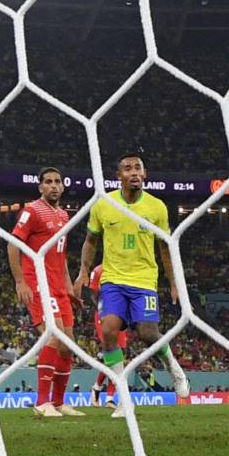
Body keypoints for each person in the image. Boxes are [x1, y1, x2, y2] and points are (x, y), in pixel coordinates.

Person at [73, 153, 190, 418]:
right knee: (109, 330)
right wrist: (83, 273)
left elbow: (165, 248)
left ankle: (173, 367)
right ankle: (124, 398)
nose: (134, 172)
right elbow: (90, 241)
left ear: (145, 175)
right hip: (113, 280)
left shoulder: (157, 208)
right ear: (119, 176)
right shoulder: (104, 205)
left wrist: (174, 283)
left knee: (148, 333)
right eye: (128, 168)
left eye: (138, 168)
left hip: (144, 280)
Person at [7, 167, 85, 418]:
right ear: (40, 187)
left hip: (58, 287)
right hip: (38, 283)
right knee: (54, 337)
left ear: (63, 187)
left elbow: (60, 256)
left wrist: (68, 286)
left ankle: (59, 402)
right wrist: (20, 281)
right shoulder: (31, 210)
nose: (53, 185)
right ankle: (42, 402)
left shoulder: (63, 214)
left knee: (68, 345)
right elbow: (13, 244)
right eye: (48, 182)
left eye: (57, 182)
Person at [87, 264, 128, 408]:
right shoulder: (98, 270)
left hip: (120, 314)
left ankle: (108, 397)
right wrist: (104, 306)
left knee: (119, 355)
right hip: (105, 314)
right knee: (111, 351)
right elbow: (92, 294)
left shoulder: (123, 268)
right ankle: (98, 388)